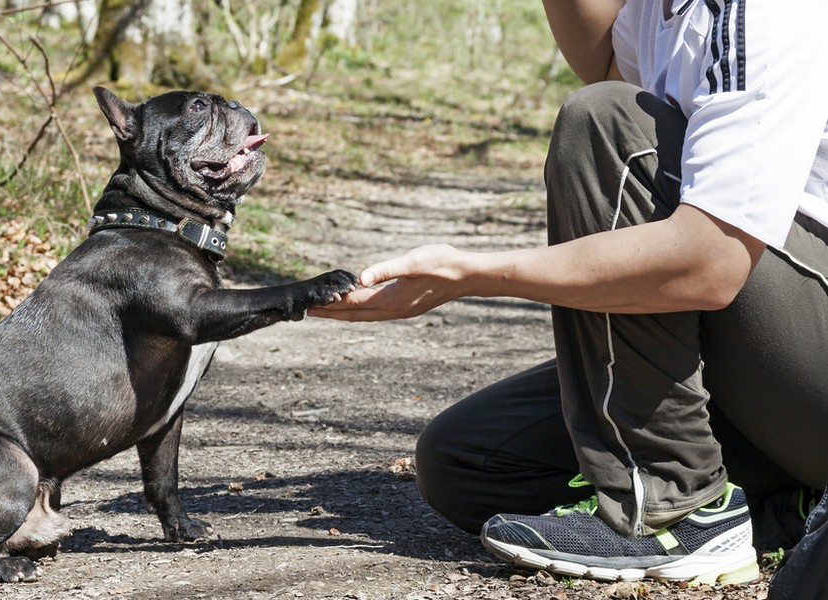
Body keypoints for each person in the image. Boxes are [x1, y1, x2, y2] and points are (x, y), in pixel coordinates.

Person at [309, 0, 828, 589]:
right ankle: (796, 511)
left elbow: (711, 263)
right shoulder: (661, 9)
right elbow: (606, 60)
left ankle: (679, 509)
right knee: (470, 462)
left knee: (606, 124)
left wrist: (471, 274)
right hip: (787, 392)